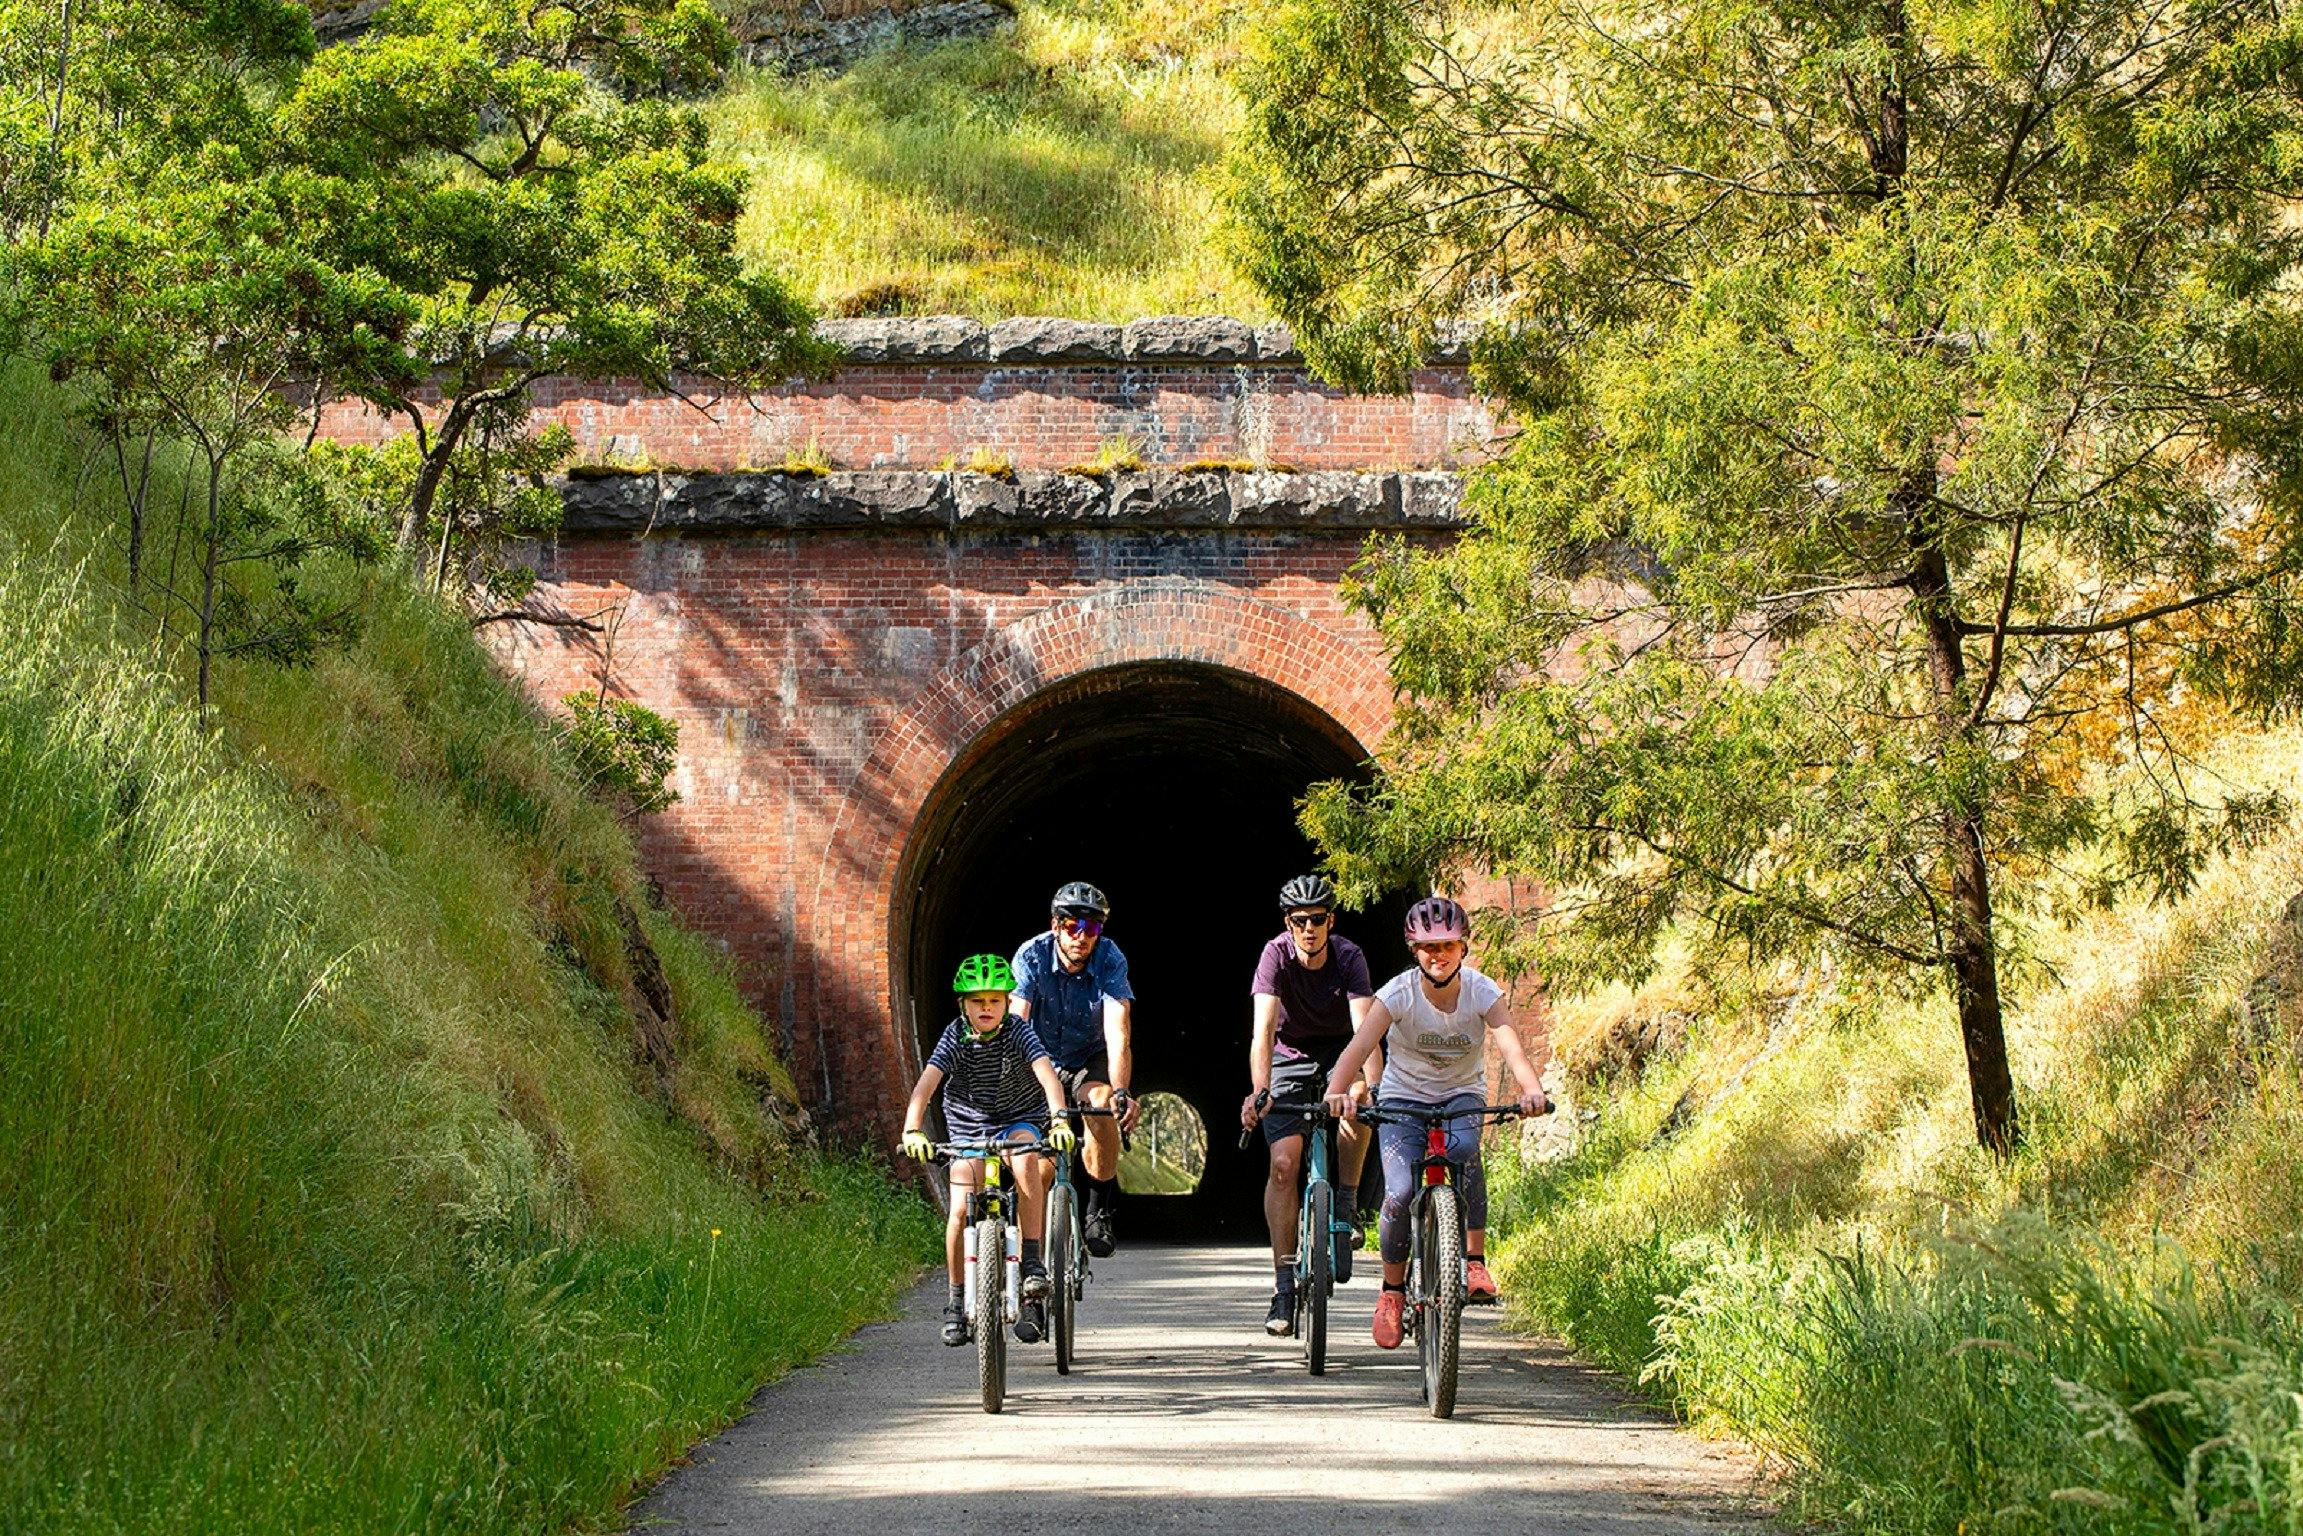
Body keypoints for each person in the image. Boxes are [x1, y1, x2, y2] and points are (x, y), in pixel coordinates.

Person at [1322, 896, 1549, 1350]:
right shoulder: (1398, 994)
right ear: (1414, 950)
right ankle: (1391, 1293)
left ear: (1463, 947)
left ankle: (1474, 1260)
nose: (1438, 955)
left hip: (1462, 1093)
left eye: (1447, 945)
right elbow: (1359, 1047)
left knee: (1464, 1150)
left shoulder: (1482, 992)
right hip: (1404, 1097)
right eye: (1428, 947)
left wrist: (1531, 1090)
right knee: (1400, 1190)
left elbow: (1512, 1047)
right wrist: (1337, 1091)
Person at [901, 953, 1076, 1347]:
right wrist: (912, 1129)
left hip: (1019, 1117)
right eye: (977, 1000)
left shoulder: (1018, 1031)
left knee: (1026, 1158)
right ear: (962, 1004)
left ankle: (1031, 1260)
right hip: (969, 1127)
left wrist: (1060, 1120)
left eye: (995, 1000)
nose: (986, 1008)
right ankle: (955, 1301)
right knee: (960, 1207)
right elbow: (926, 1085)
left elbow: (1047, 1076)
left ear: (1006, 1002)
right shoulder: (954, 1036)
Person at [1240, 873, 1379, 1337]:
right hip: (1289, 1058)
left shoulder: (1349, 957)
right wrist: (1260, 1089)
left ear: (1330, 921)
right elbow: (1263, 1031)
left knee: (1358, 1099)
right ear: (1288, 923)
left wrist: (1375, 1085)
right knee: (1284, 1165)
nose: (1308, 929)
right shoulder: (1275, 955)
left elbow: (1366, 1029)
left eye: (1317, 919)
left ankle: (1346, 1202)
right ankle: (1283, 1287)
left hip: (1342, 1053)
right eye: (1299, 920)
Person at [1010, 881, 1139, 1257]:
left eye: (1092, 928)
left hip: (1087, 1057)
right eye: (1072, 926)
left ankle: (1098, 1210)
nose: (1082, 936)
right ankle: (1032, 1260)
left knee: (1101, 1104)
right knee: (1040, 1170)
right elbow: (1017, 1020)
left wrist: (1121, 1091)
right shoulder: (1031, 955)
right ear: (1056, 926)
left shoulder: (1110, 958)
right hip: (1039, 1060)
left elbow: (1118, 1032)